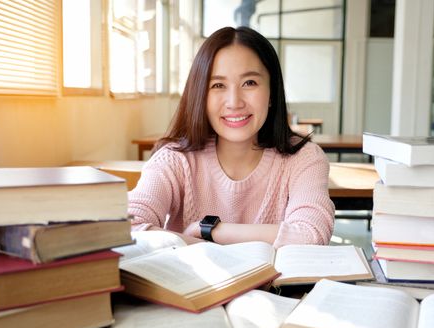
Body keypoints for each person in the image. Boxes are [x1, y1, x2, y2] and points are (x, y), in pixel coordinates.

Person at [128, 26, 335, 247]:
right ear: (201, 95)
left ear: (272, 92)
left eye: (249, 83)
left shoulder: (304, 158)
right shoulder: (175, 160)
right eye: (218, 85)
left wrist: (210, 230)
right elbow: (128, 227)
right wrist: (205, 246)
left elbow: (312, 234)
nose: (234, 102)